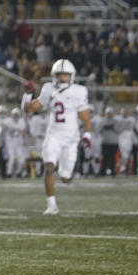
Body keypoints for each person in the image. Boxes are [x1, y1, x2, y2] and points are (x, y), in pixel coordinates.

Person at [22, 59, 92, 215]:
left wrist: (87, 134)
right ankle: (51, 205)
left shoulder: (79, 91)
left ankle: (66, 174)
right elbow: (28, 109)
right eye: (59, 75)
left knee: (66, 177)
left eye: (65, 75)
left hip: (71, 139)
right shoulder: (48, 89)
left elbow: (85, 117)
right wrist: (27, 94)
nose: (62, 78)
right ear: (54, 76)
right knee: (49, 167)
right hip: (53, 135)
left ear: (71, 76)